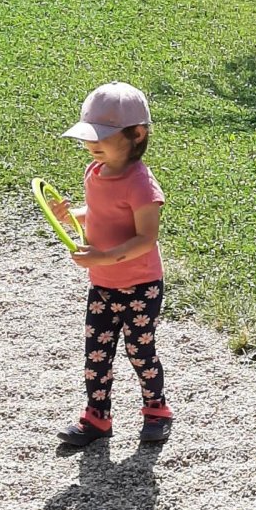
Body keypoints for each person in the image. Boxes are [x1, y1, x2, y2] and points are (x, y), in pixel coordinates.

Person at [50, 82, 174, 448]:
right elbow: (99, 213)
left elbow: (146, 238)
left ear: (137, 135)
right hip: (103, 283)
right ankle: (97, 417)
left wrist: (101, 257)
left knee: (140, 351)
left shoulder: (141, 185)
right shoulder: (96, 171)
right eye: (89, 135)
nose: (92, 143)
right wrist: (72, 215)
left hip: (140, 286)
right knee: (96, 354)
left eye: (102, 136)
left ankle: (157, 411)